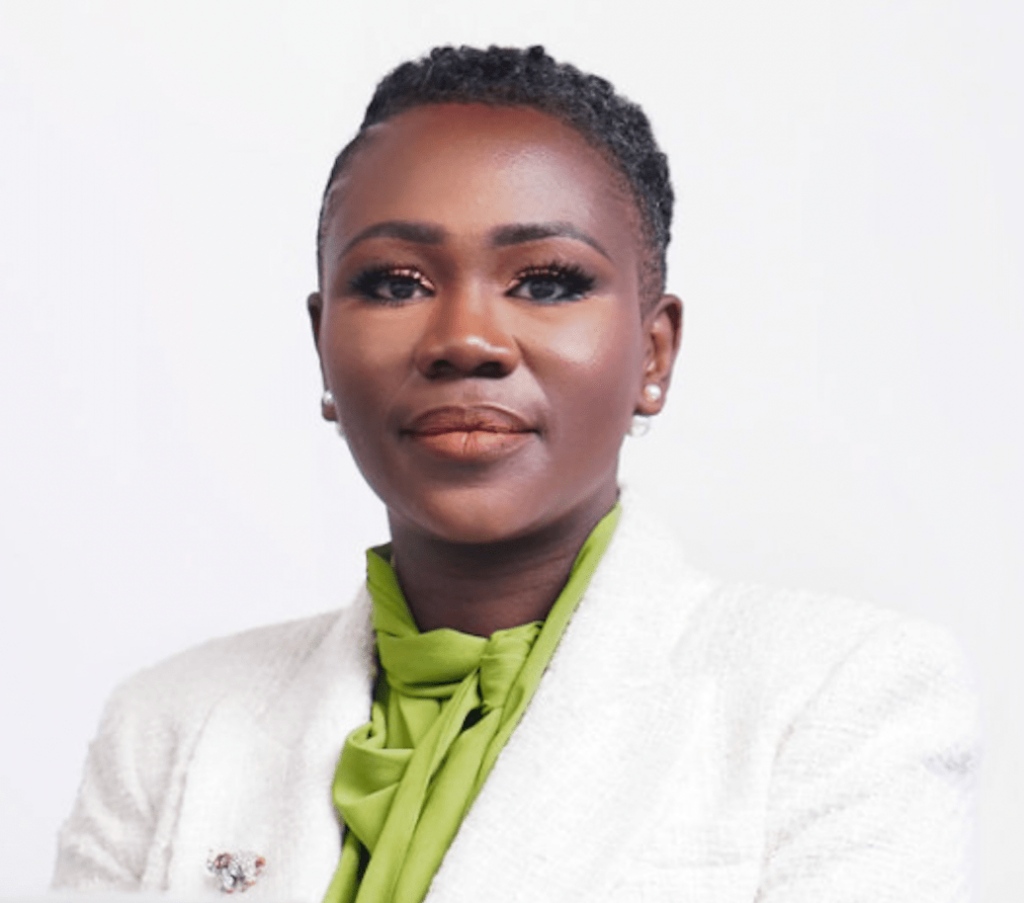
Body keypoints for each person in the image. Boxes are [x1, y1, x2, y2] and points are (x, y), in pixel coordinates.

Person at [53, 45, 978, 902]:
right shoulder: (167, 728)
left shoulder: (840, 699)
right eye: (395, 283)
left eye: (546, 280)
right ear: (322, 347)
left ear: (653, 353)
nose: (465, 339)